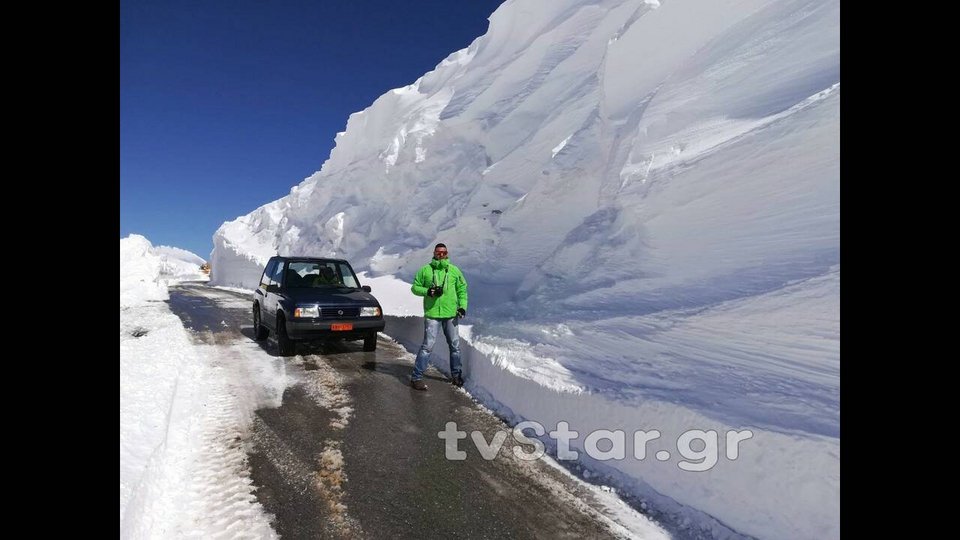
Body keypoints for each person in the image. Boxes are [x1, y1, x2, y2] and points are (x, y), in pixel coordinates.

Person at [409, 243, 468, 390]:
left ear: (447, 253)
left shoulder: (454, 271)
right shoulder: (425, 270)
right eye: (438, 252)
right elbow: (415, 288)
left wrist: (462, 307)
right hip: (432, 314)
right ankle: (416, 378)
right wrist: (428, 291)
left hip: (451, 314)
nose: (440, 255)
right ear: (434, 253)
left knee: (455, 346)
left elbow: (462, 290)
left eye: (443, 252)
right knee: (427, 346)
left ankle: (456, 375)